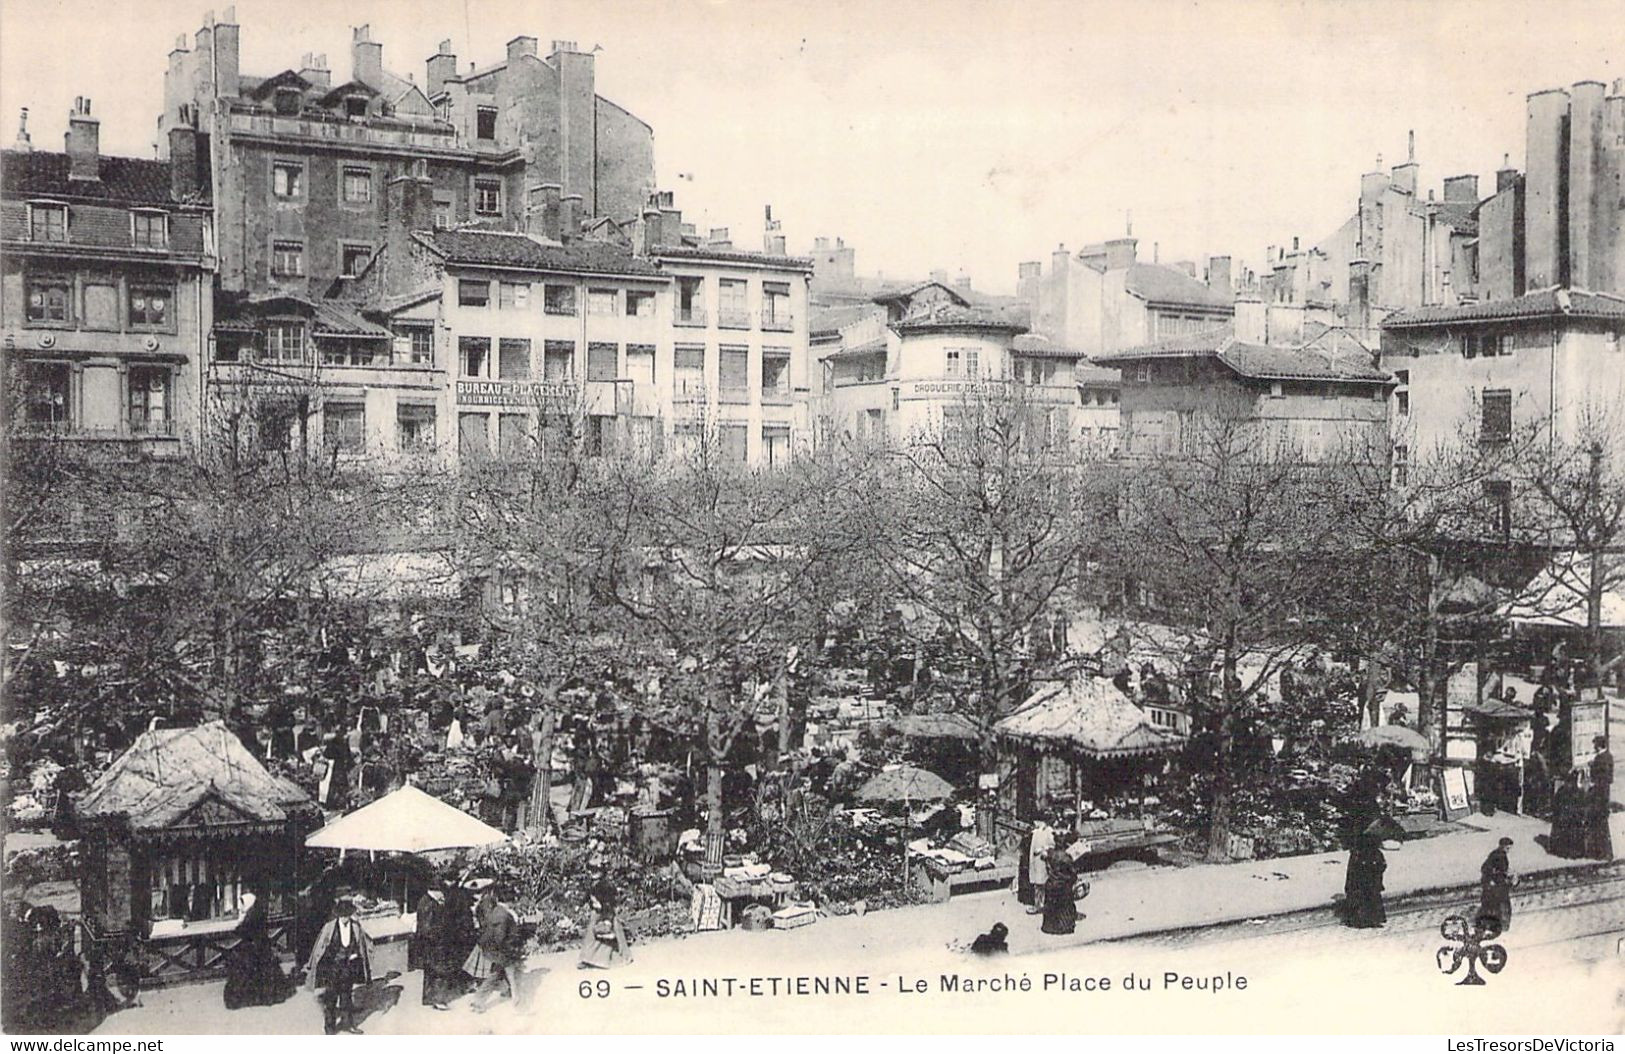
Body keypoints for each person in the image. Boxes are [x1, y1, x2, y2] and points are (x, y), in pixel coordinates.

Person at [305, 895, 374, 1034]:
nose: (345, 918)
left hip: (348, 968)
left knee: (347, 997)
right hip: (333, 968)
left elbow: (361, 944)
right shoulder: (329, 928)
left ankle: (348, 1024)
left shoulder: (355, 927)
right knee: (331, 998)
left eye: (347, 915)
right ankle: (329, 1027)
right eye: (342, 915)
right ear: (338, 914)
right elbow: (320, 948)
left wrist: (356, 956)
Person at [223, 892, 293, 1009]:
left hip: (254, 949)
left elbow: (241, 929)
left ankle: (246, 997)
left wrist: (240, 921)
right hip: (261, 947)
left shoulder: (251, 916)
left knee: (245, 969)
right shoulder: (256, 912)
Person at [466, 881, 524, 1012]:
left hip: (500, 947)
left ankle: (481, 1001)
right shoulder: (498, 912)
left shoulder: (498, 912)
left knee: (501, 973)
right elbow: (496, 934)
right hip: (501, 948)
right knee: (503, 973)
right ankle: (513, 995)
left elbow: (498, 935)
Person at [412, 880, 463, 1010]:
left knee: (430, 972)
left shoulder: (427, 901)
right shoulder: (429, 905)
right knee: (440, 971)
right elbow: (428, 928)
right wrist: (441, 936)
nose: (443, 895)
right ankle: (439, 1000)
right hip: (434, 944)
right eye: (442, 892)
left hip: (428, 945)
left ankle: (429, 998)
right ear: (436, 891)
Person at [578, 880, 632, 969]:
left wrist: (603, 929)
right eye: (592, 903)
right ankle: (587, 957)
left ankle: (596, 959)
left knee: (605, 948)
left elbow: (609, 927)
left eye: (595, 902)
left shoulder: (608, 913)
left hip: (606, 933)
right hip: (596, 934)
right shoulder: (596, 912)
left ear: (604, 901)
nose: (593, 905)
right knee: (590, 941)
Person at [1341, 826, 1387, 928]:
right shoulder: (1360, 853)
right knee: (1368, 900)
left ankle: (1368, 920)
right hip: (1365, 881)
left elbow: (1381, 864)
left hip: (1368, 881)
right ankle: (1368, 920)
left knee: (1368, 899)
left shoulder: (1365, 853)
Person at [1040, 838, 1079, 936]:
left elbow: (1044, 858)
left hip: (1052, 884)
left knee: (1051, 907)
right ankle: (1065, 927)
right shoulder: (1066, 858)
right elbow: (1072, 873)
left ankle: (1049, 927)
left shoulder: (1051, 854)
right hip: (1063, 885)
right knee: (1065, 907)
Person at [1477, 837, 1515, 935]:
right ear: (1502, 846)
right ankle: (1500, 926)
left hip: (1497, 884)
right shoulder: (1497, 855)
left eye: (1509, 848)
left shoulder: (1498, 854)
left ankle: (1495, 925)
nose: (1509, 850)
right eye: (1507, 848)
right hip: (1495, 886)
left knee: (1493, 906)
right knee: (1499, 906)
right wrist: (1492, 879)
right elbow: (1486, 869)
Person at [1547, 770, 1589, 858]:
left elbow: (1555, 803)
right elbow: (1583, 805)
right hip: (1572, 818)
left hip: (1562, 818)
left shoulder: (1562, 789)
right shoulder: (1578, 791)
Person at [1585, 735, 1614, 861]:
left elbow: (1597, 776)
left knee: (1597, 823)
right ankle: (1605, 852)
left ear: (1598, 745)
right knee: (1602, 823)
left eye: (1595, 745)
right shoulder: (1609, 756)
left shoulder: (1600, 758)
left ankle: (1598, 852)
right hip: (1605, 794)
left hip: (1598, 795)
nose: (1594, 747)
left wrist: (1591, 769)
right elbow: (1609, 777)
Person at [1025, 815, 1054, 916]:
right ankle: (1038, 904)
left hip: (1042, 860)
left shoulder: (1048, 831)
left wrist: (1042, 849)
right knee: (1037, 884)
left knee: (1041, 884)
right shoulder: (1036, 832)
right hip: (1036, 862)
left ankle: (1041, 905)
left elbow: (1052, 845)